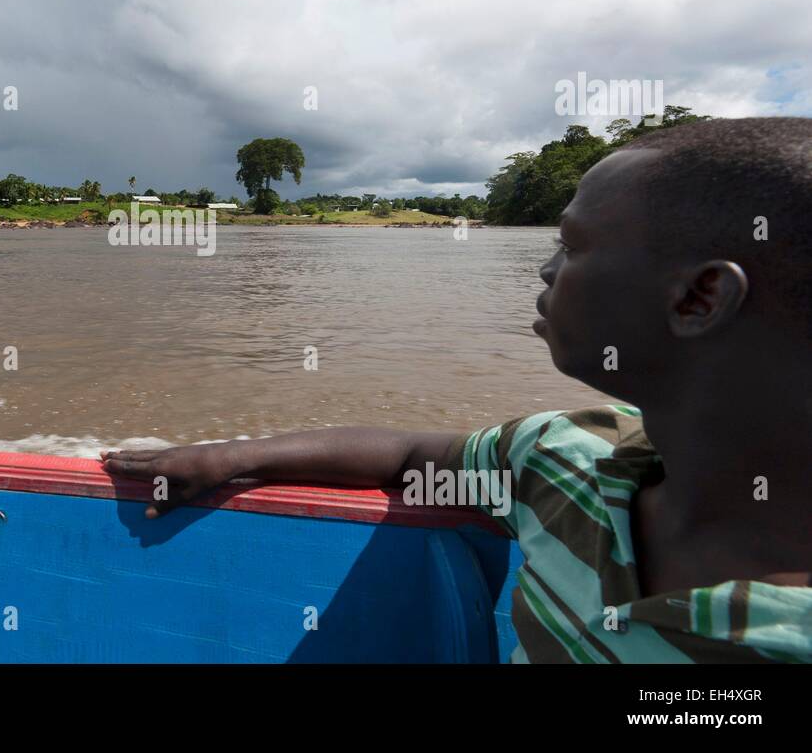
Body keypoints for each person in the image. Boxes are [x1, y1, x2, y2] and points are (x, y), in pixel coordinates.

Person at [102, 117, 812, 662]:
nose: (544, 269)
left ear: (699, 298)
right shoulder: (562, 461)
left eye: (573, 244)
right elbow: (412, 453)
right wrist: (232, 458)